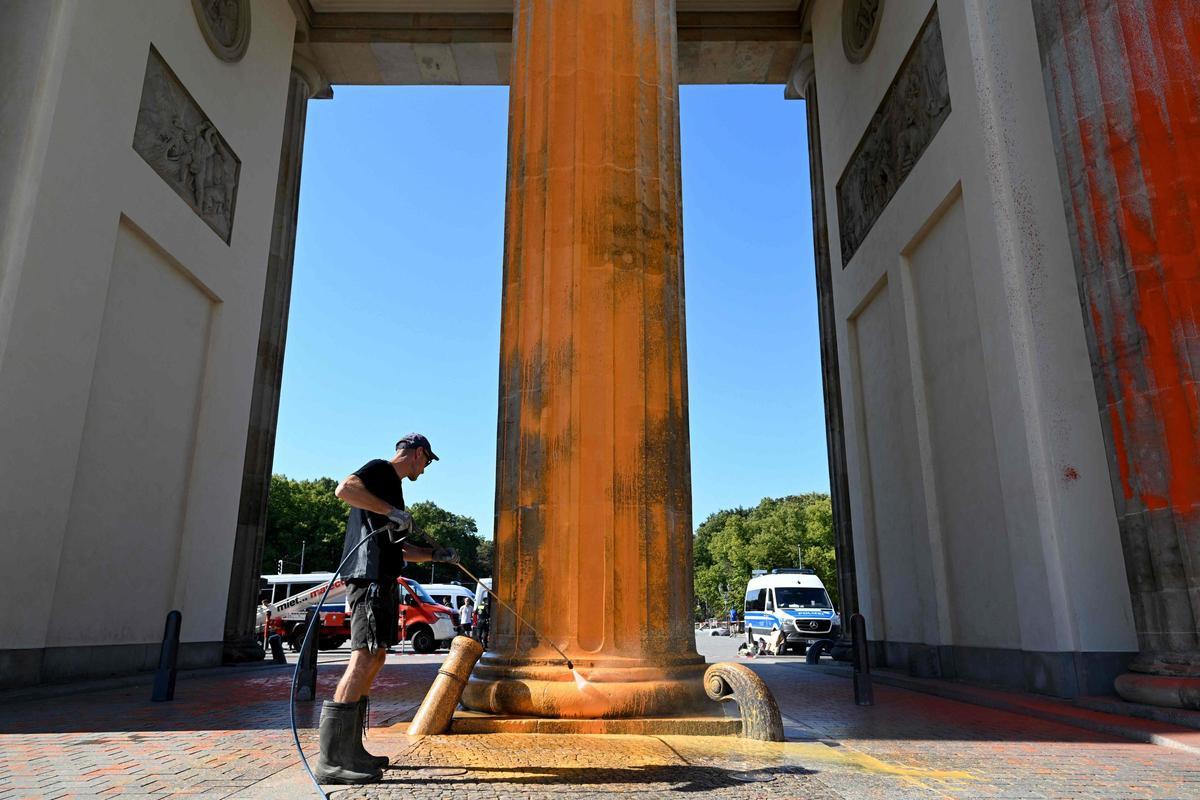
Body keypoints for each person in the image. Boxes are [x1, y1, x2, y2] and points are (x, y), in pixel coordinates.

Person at [314, 434, 459, 785]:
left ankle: (352, 750)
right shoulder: (381, 471)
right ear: (418, 453)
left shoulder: (392, 490)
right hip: (368, 578)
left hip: (383, 576)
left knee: (376, 656)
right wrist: (392, 511)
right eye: (426, 462)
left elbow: (398, 548)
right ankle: (332, 759)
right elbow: (344, 489)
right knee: (363, 657)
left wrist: (434, 555)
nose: (424, 469)